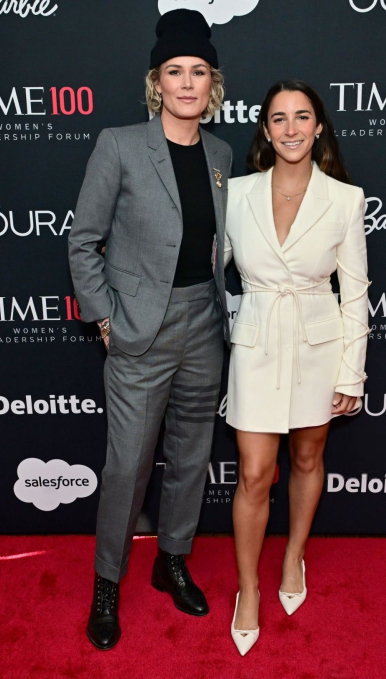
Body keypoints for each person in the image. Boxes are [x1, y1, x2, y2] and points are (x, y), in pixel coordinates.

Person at [68, 9, 232, 650]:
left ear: (211, 84)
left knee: (191, 456)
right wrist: (104, 315)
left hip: (203, 323)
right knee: (128, 466)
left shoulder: (220, 154)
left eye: (198, 72)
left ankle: (172, 561)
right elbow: (84, 241)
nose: (187, 83)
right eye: (175, 72)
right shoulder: (119, 144)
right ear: (156, 82)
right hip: (139, 328)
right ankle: (107, 583)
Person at [224, 80, 370, 655]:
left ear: (318, 127)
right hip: (256, 344)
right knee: (256, 473)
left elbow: (355, 291)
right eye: (278, 118)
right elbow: (204, 265)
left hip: (318, 344)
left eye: (301, 117)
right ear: (264, 129)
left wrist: (350, 372)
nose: (290, 128)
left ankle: (292, 558)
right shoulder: (235, 194)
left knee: (308, 457)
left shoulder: (344, 199)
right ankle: (248, 588)